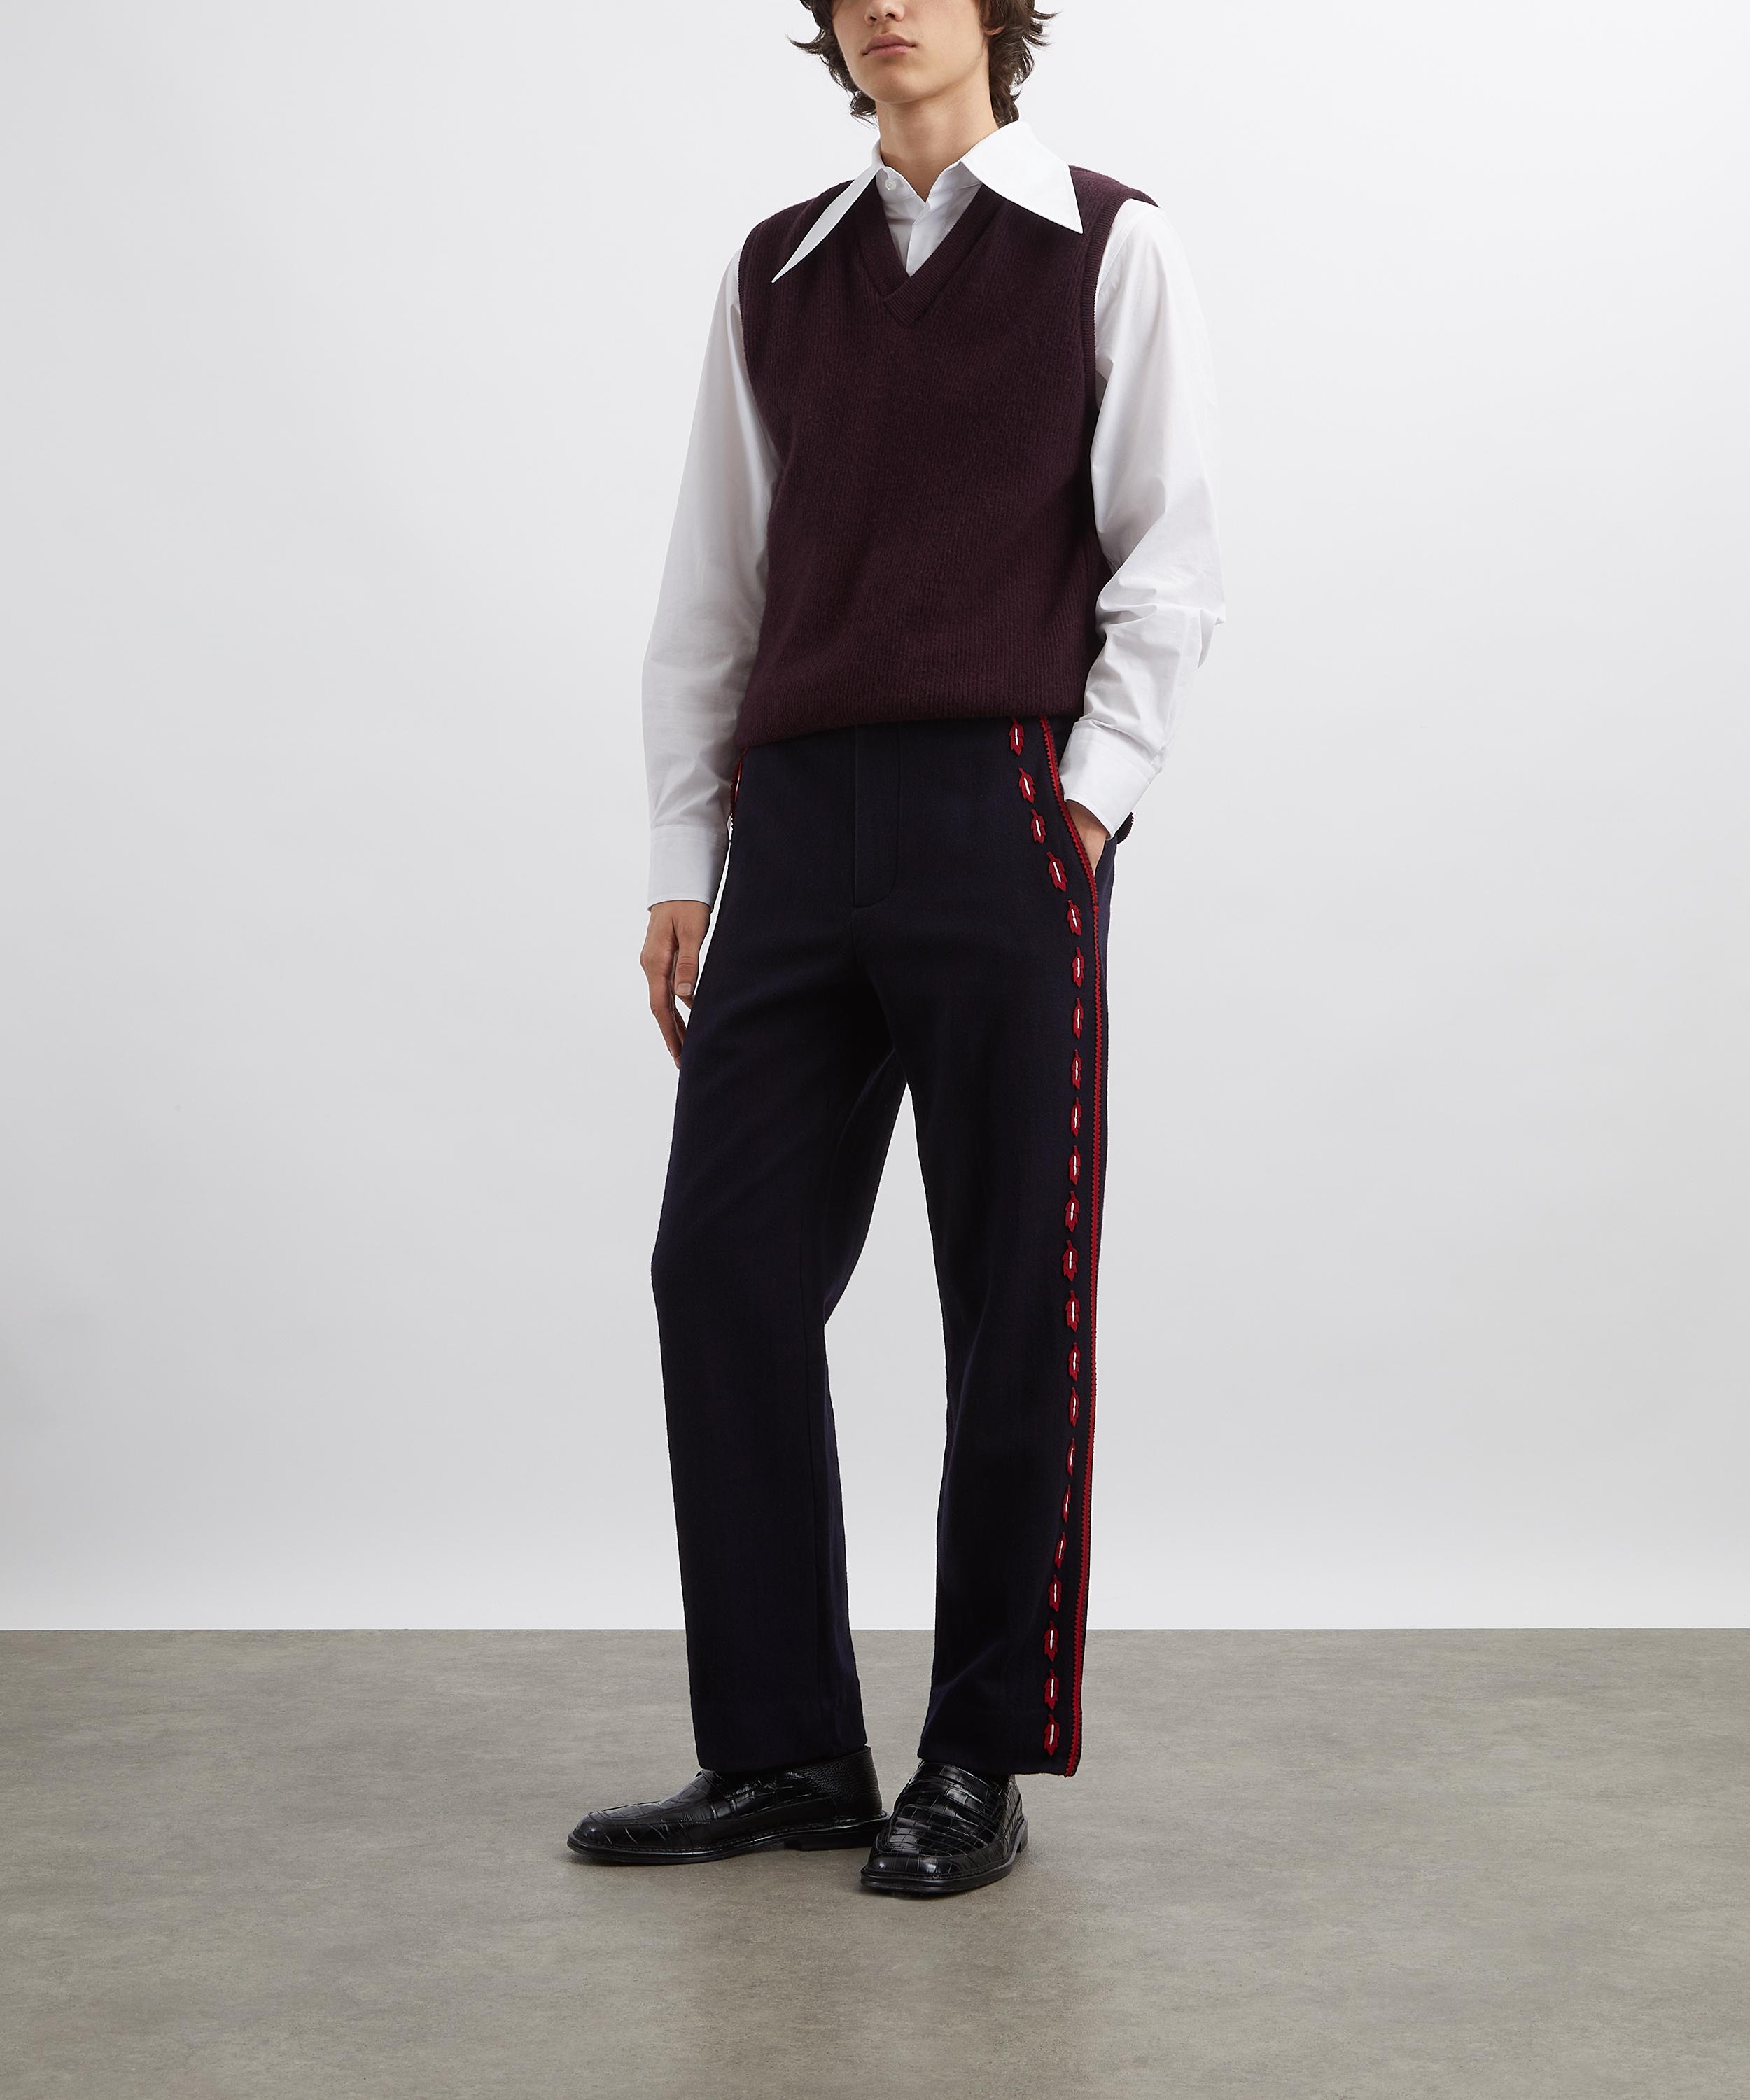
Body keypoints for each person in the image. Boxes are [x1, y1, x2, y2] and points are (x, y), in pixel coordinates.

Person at [568, 0, 1224, 1897]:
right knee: (722, 1267)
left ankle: (974, 1757)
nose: (885, 4)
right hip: (791, 824)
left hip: (1001, 808)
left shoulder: (1108, 242)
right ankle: (784, 1749)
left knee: (1011, 1290)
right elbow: (716, 578)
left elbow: (1171, 557)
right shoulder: (779, 271)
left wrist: (1080, 806)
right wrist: (683, 851)